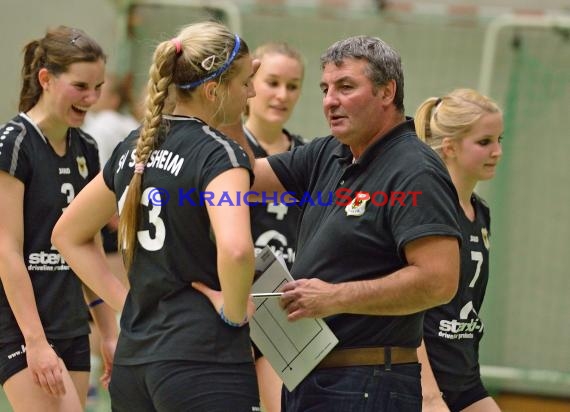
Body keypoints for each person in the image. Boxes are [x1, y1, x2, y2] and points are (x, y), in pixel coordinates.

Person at [214, 35, 462, 411]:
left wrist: (334, 297)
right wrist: (234, 102)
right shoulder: (328, 152)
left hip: (368, 382)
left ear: (386, 91)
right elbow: (245, 176)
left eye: (346, 87)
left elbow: (439, 281)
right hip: (307, 375)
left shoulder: (414, 169)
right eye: (326, 89)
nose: (330, 100)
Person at [52, 21, 261, 411]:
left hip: (136, 362)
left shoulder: (134, 146)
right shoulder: (219, 155)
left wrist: (125, 302)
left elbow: (67, 233)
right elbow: (236, 250)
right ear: (214, 90)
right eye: (246, 81)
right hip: (203, 358)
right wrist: (234, 314)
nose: (251, 91)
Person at [0, 26, 118, 411]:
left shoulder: (85, 147)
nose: (92, 98)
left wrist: (108, 332)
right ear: (46, 79)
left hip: (70, 323)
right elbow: (7, 251)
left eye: (98, 87)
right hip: (22, 325)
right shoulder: (15, 143)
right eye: (81, 86)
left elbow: (90, 247)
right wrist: (34, 341)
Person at [414, 88, 503, 412]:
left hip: (464, 379)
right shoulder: (428, 210)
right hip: (420, 383)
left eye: (499, 140)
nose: (497, 151)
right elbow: (407, 308)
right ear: (449, 147)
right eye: (484, 142)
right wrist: (428, 394)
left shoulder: (480, 212)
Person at [242, 41, 304, 412]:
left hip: (284, 308)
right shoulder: (224, 149)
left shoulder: (309, 156)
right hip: (230, 303)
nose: (282, 95)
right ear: (249, 84)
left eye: (292, 86)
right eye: (273, 82)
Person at [81, 73, 138, 401]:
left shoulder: (104, 124)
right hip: (114, 219)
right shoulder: (126, 123)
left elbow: (105, 176)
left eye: (98, 91)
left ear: (113, 97)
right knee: (108, 299)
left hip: (107, 220)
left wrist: (113, 214)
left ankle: (110, 368)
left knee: (107, 298)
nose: (92, 97)